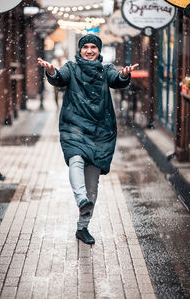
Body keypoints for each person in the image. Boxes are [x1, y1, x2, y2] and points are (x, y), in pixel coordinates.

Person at [38, 34, 139, 245]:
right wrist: (51, 71)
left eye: (94, 47)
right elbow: (59, 78)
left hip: (100, 131)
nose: (90, 50)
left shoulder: (106, 69)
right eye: (86, 47)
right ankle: (81, 199)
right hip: (74, 126)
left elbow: (116, 81)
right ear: (80, 50)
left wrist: (123, 75)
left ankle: (83, 227)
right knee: (75, 160)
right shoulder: (71, 68)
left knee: (92, 184)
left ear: (99, 50)